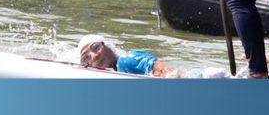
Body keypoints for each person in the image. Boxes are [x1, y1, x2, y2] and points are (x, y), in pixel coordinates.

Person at [77, 35, 231, 78]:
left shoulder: (127, 60)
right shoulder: (117, 69)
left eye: (95, 47)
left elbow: (167, 71)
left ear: (106, 45)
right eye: (86, 58)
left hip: (203, 79)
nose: (94, 56)